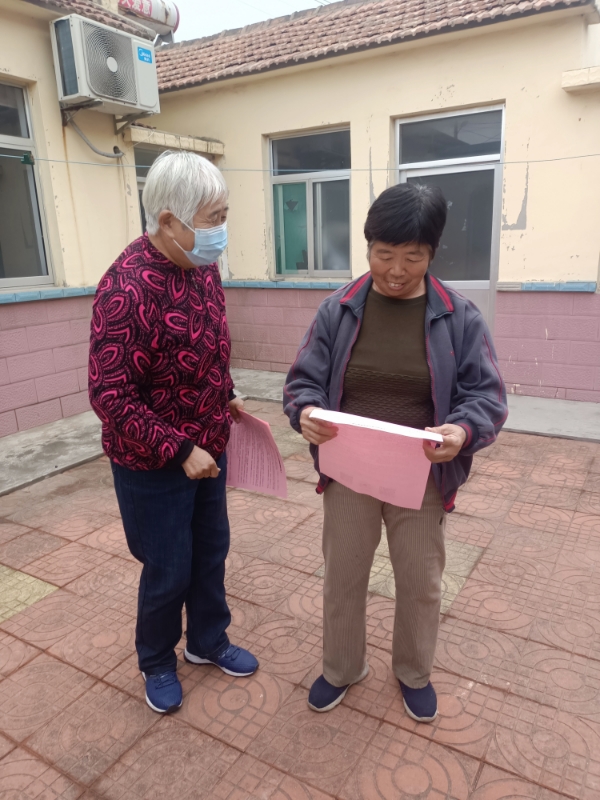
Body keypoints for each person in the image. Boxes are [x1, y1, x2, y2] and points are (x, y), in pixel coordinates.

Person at [283, 183, 507, 720]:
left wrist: (461, 432)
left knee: (421, 583)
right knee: (342, 577)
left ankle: (412, 672)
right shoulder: (339, 310)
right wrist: (306, 412)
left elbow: (486, 396)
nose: (397, 270)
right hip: (349, 471)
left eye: (413, 257)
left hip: (421, 476)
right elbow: (303, 381)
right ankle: (342, 667)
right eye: (384, 255)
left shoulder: (459, 317)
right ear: (368, 248)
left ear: (432, 253)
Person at [89, 150, 258, 715]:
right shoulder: (125, 289)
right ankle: (157, 659)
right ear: (168, 221)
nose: (221, 231)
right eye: (213, 219)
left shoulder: (200, 266)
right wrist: (180, 448)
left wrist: (226, 390)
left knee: (211, 552)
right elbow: (110, 395)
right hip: (153, 462)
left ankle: (207, 640)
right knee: (168, 569)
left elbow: (210, 341)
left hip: (209, 445)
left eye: (224, 215)